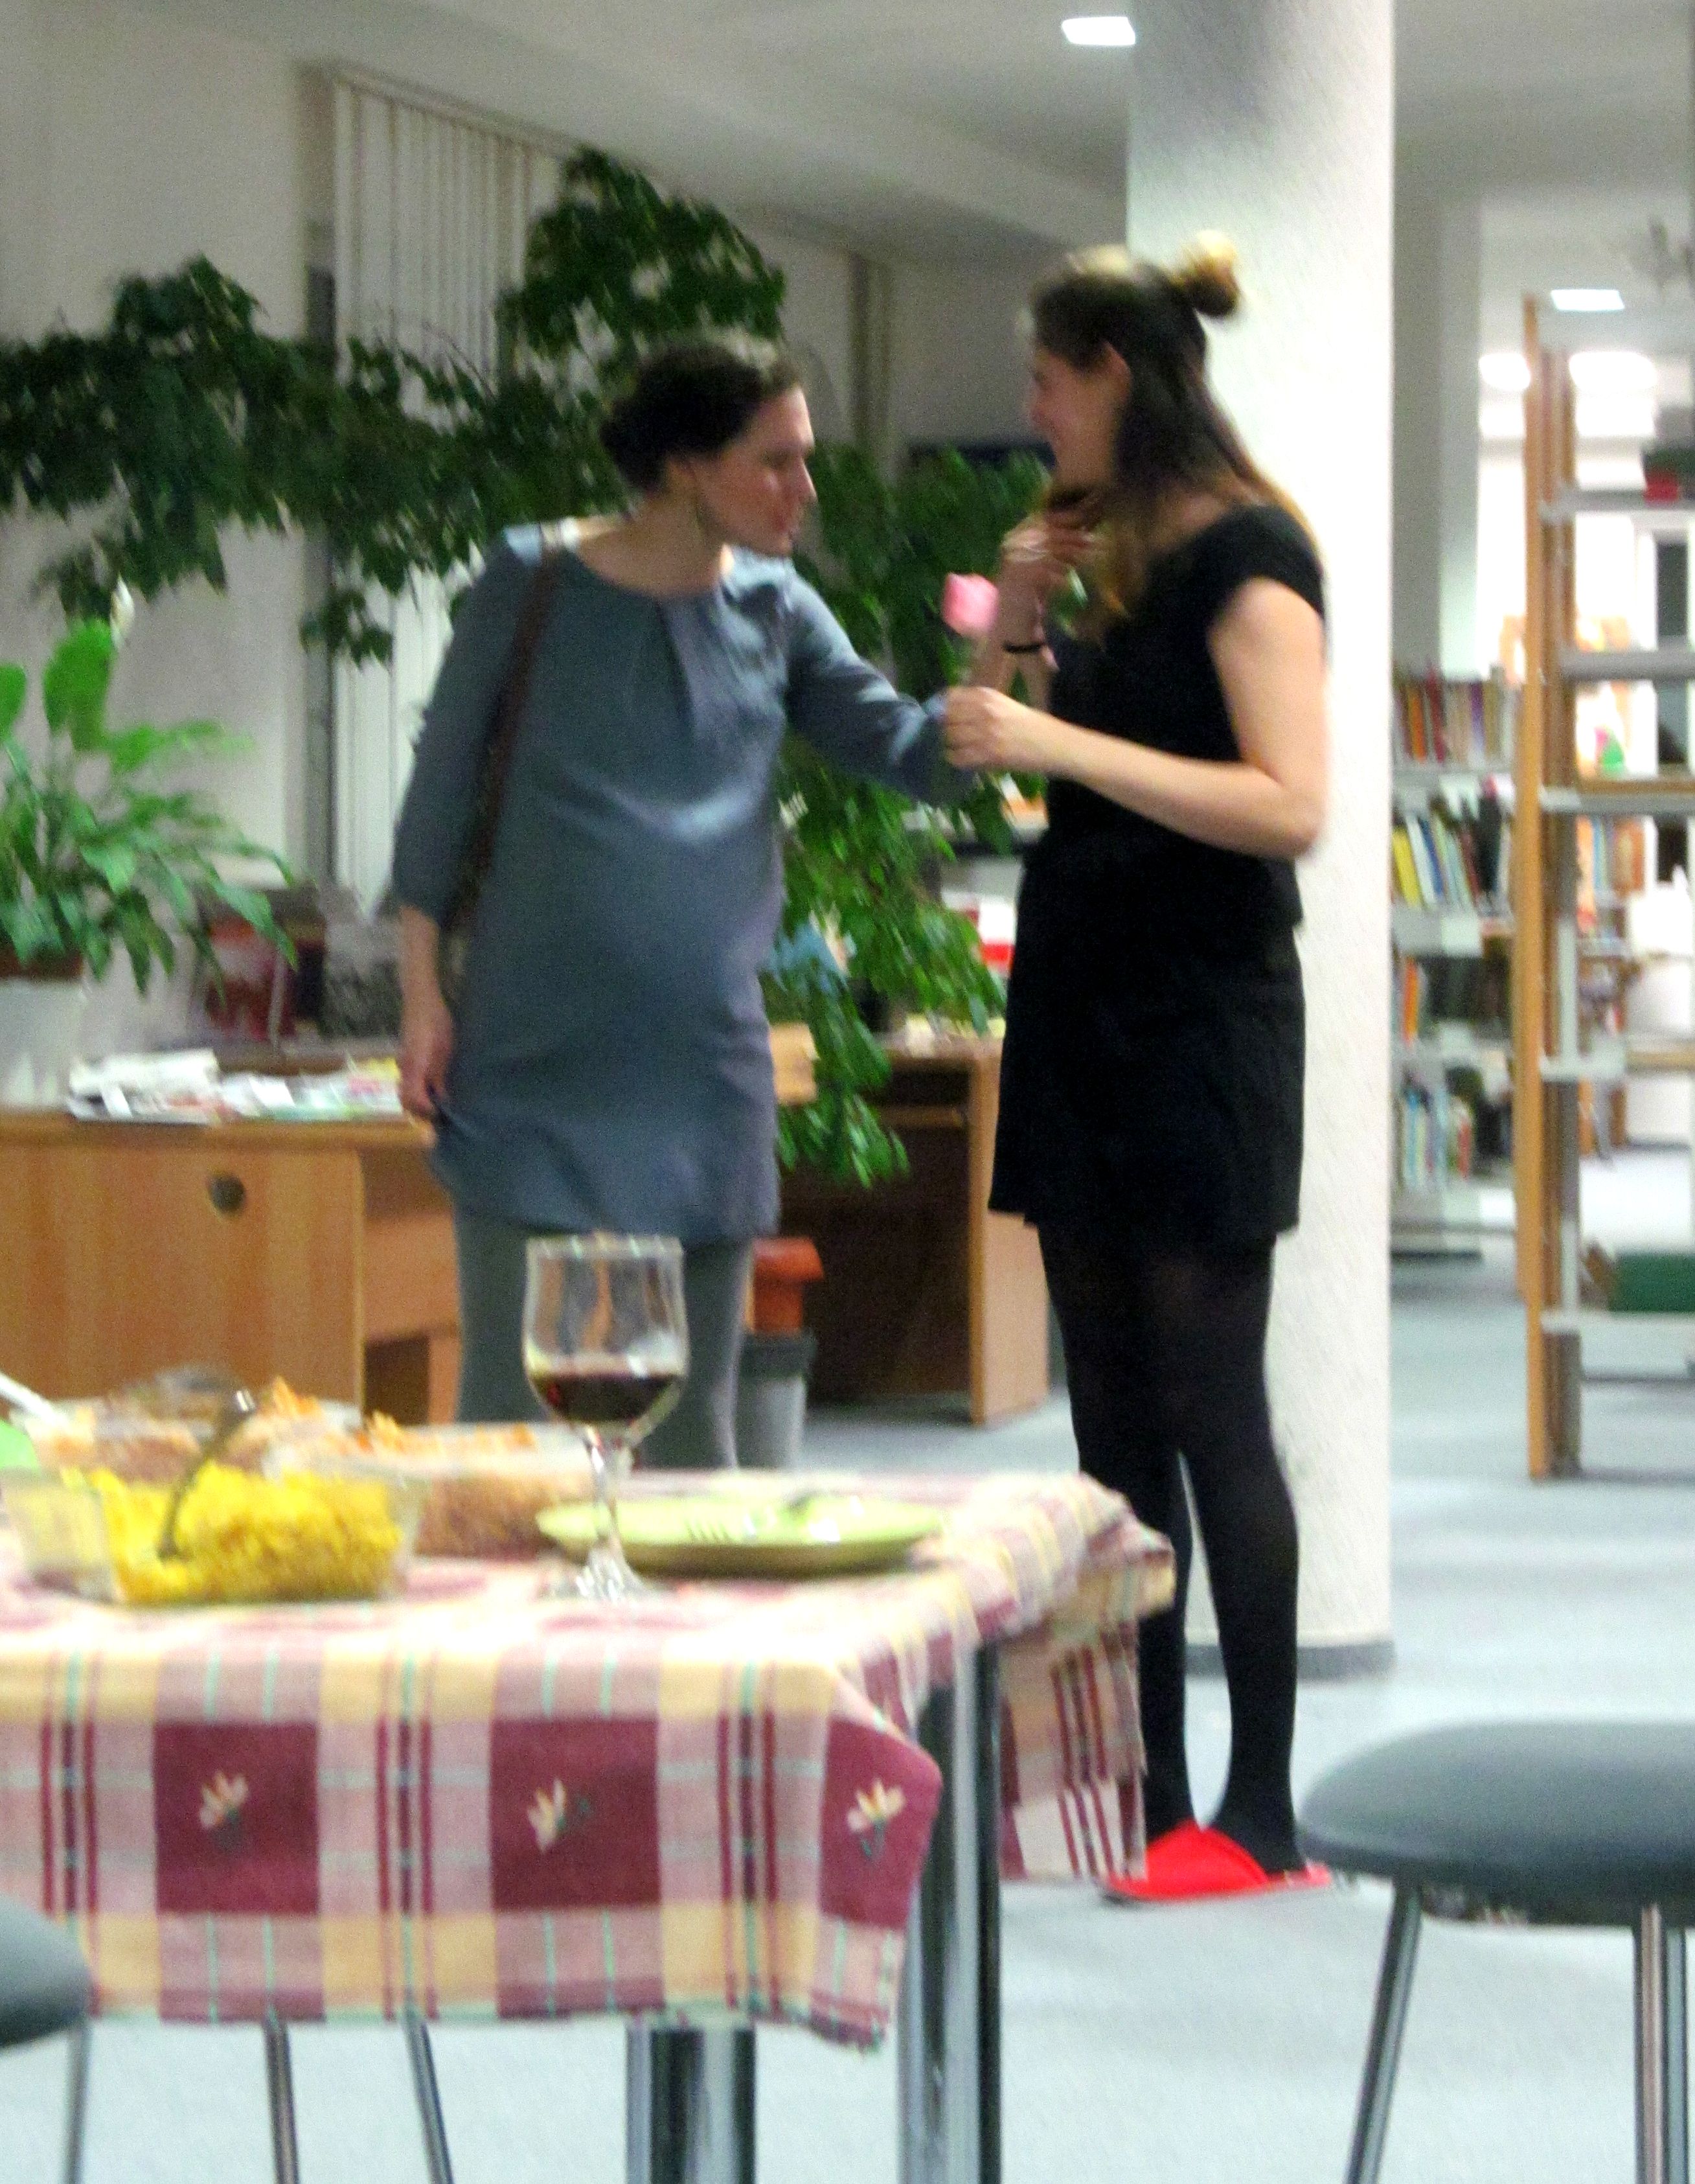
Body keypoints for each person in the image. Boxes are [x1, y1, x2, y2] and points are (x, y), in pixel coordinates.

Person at [942, 238, 1329, 1896]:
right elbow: (990, 746)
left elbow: (1288, 802)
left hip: (1199, 1018)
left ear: (1114, 373)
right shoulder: (1093, 549)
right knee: (1108, 1431)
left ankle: (1260, 1811)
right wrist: (1015, 626)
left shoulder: (1249, 552)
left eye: (1047, 380)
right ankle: (1149, 1789)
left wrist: (1058, 737)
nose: (1033, 411)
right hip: (1084, 1002)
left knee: (1209, 1407)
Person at [392, 335, 961, 1462]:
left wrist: (1013, 639)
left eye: (804, 459)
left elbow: (918, 757)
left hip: (701, 1065)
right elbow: (440, 795)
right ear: (686, 466)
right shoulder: (530, 580)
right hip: (532, 1056)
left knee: (695, 1430)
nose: (804, 488)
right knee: (511, 1424)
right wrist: (421, 998)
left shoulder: (778, 609)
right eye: (775, 461)